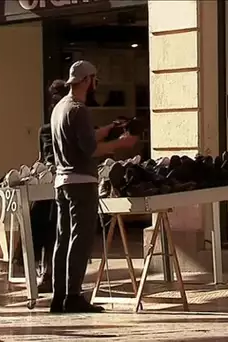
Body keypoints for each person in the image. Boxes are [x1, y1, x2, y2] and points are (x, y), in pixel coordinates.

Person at [50, 60, 138, 313]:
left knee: (63, 239)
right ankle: (74, 296)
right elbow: (90, 149)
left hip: (62, 182)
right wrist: (122, 144)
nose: (96, 84)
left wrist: (109, 129)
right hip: (82, 182)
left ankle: (60, 296)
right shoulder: (80, 109)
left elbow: (81, 138)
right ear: (88, 80)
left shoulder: (60, 108)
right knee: (80, 239)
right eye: (95, 80)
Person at [32, 79, 69, 293]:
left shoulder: (68, 125)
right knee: (49, 224)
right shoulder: (46, 130)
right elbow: (45, 158)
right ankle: (47, 272)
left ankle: (53, 273)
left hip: (66, 181)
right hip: (53, 183)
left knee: (57, 227)